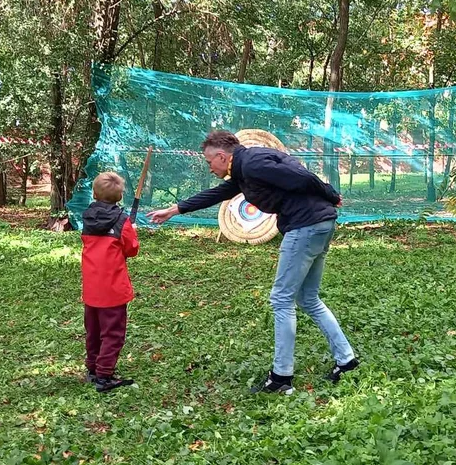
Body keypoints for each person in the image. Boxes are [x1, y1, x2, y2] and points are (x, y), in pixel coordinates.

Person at [147, 131, 359, 394]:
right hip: (319, 225)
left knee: (282, 300)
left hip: (305, 226)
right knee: (308, 299)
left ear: (222, 157)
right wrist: (176, 209)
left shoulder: (253, 164)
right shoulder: (245, 169)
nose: (209, 167)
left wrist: (329, 192)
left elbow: (301, 176)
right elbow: (219, 193)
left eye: (209, 161)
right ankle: (347, 361)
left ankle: (281, 377)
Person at [80, 172, 140, 392]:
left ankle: (93, 369)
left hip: (91, 288)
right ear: (120, 196)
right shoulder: (122, 221)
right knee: (113, 333)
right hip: (112, 289)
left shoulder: (87, 216)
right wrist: (131, 232)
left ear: (95, 194)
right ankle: (104, 375)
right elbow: (131, 250)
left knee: (93, 330)